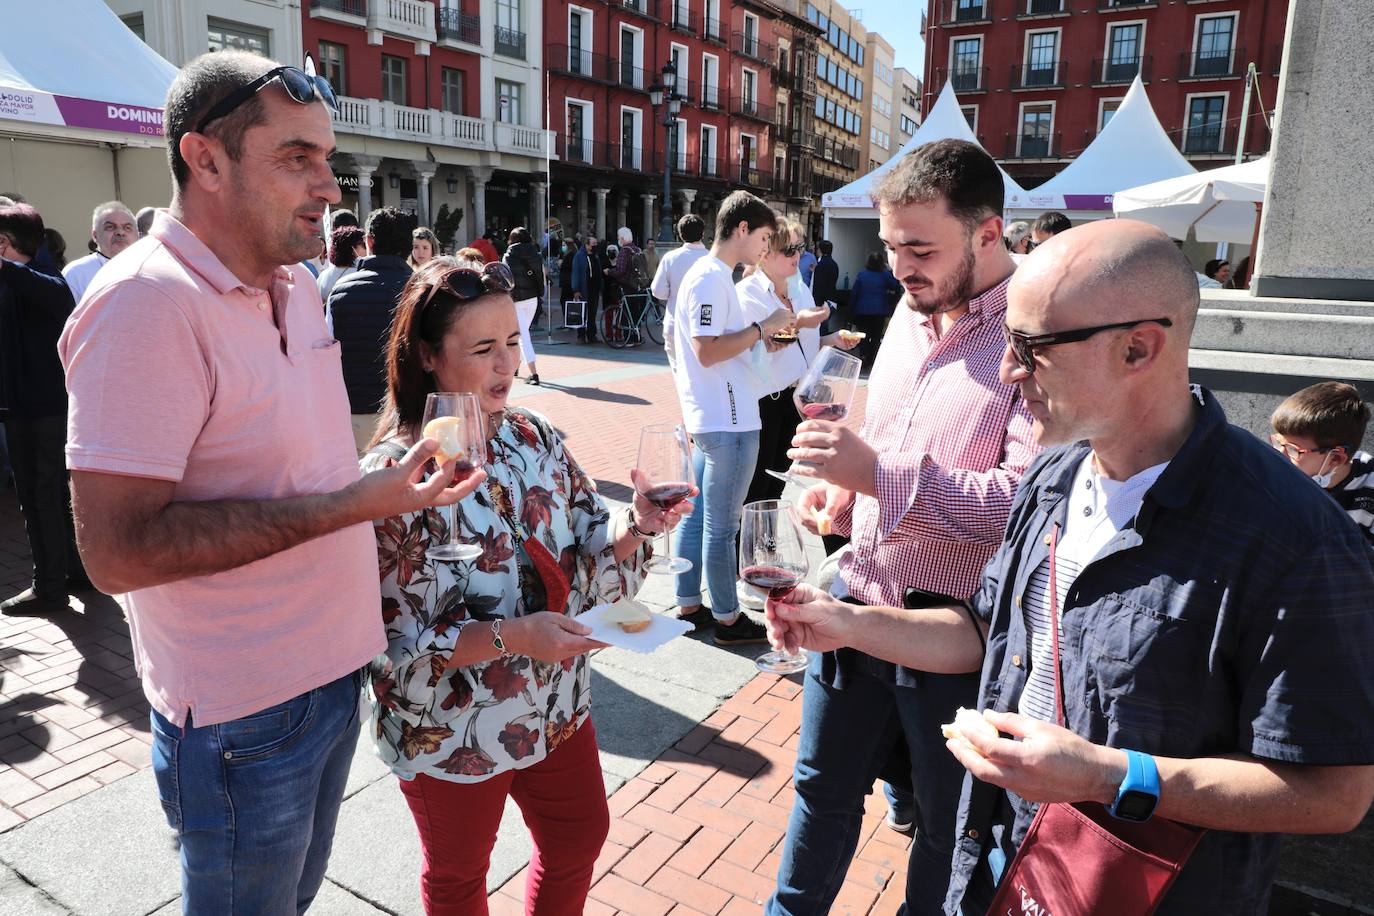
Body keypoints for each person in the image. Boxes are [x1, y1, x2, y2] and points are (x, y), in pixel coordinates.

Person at [766, 219, 1374, 915]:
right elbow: (981, 630)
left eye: (1031, 348)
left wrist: (1106, 776)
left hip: (1146, 889)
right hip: (1002, 859)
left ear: (1139, 347)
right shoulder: (1055, 472)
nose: (1006, 371)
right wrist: (846, 622)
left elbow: (1335, 793)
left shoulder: (1297, 539)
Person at [58, 49, 487, 911]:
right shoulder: (145, 305)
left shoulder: (293, 284)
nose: (330, 186)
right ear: (204, 159)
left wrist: (384, 493)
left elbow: (293, 461)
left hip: (329, 674)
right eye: (297, 159)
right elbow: (116, 554)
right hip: (242, 714)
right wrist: (352, 506)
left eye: (327, 160)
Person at [363, 256, 687, 913]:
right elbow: (400, 644)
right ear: (428, 355)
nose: (507, 365)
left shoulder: (533, 436)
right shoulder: (394, 474)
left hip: (558, 703)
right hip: (451, 726)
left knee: (578, 839)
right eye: (483, 348)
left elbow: (593, 549)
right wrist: (515, 637)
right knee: (459, 875)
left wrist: (637, 527)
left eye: (513, 341)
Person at [767, 139, 1038, 916]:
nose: (899, 266)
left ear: (989, 233)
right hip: (857, 602)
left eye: (920, 248)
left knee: (948, 826)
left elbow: (1022, 502)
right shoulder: (910, 317)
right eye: (890, 246)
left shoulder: (1032, 338)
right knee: (820, 792)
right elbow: (884, 442)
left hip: (954, 639)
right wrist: (841, 499)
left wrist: (877, 477)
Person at [670, 191, 792, 643]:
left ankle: (689, 604)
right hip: (729, 417)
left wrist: (762, 339)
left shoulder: (713, 275)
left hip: (718, 413)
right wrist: (763, 328)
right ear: (742, 229)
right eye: (763, 236)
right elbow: (707, 351)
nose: (765, 246)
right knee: (722, 526)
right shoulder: (710, 277)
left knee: (699, 516)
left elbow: (720, 343)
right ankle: (726, 617)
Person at [737, 217, 856, 509]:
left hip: (795, 397)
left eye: (801, 248)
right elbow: (759, 347)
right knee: (756, 487)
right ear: (765, 253)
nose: (798, 256)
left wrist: (833, 340)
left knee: (778, 482)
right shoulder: (748, 294)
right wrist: (800, 323)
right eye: (789, 250)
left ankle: (766, 541)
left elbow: (806, 344)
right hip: (765, 400)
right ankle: (750, 545)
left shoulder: (798, 287)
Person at [0, 203, 84, 615]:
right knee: (46, 495)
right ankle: (74, 571)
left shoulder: (42, 278)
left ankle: (49, 587)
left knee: (40, 496)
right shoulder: (27, 279)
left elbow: (56, 299)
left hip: (40, 410)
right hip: (29, 408)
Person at [328, 206, 416, 451]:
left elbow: (326, 353)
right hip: (405, 413)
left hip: (354, 411)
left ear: (369, 241)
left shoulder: (340, 289)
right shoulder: (421, 288)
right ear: (409, 245)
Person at [1271, 381, 1374, 546]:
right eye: (1277, 442)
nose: (1278, 454)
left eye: (1292, 450)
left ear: (1335, 458)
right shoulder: (1276, 481)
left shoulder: (1369, 488)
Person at [651, 214, 709, 372]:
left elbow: (657, 291)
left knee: (679, 375)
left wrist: (673, 292)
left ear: (680, 234)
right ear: (702, 233)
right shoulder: (711, 259)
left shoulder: (670, 258)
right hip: (704, 330)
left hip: (674, 325)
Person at [62, 201, 137, 303]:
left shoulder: (150, 271)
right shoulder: (76, 272)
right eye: (110, 227)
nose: (120, 232)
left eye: (127, 228)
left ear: (137, 236)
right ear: (95, 235)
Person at [503, 226, 545, 385]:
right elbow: (540, 275)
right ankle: (516, 366)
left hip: (517, 299)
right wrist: (540, 292)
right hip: (532, 298)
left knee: (523, 337)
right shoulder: (535, 253)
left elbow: (505, 278)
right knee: (523, 334)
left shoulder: (509, 255)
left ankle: (534, 374)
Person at [847, 252, 903, 368]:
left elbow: (854, 293)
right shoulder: (884, 275)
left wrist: (850, 310)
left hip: (862, 310)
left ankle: (863, 357)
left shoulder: (862, 275)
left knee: (863, 335)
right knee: (876, 336)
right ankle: (872, 359)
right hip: (879, 311)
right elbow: (895, 286)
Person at [318, 224, 365, 311]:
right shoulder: (360, 274)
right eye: (363, 245)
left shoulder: (324, 274)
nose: (366, 250)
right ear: (353, 248)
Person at [571, 236, 602, 342]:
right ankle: (581, 334)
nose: (595, 246)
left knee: (592, 312)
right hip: (584, 288)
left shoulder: (595, 256)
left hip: (594, 288)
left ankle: (592, 334)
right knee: (582, 312)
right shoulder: (579, 256)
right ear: (587, 245)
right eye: (593, 244)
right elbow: (575, 273)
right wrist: (576, 289)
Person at [810, 238, 839, 315]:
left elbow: (818, 286)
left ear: (820, 250)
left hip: (823, 303)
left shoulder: (821, 265)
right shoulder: (834, 264)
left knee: (821, 326)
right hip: (832, 300)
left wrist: (816, 304)